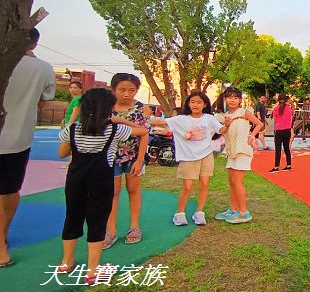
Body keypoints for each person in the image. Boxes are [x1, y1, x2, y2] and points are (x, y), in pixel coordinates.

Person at [55, 88, 147, 283]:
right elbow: (143, 131)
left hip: (75, 180)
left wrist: (72, 120)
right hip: (101, 180)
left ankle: (66, 261)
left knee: (72, 217)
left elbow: (62, 153)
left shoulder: (72, 130)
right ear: (108, 109)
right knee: (97, 220)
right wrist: (121, 120)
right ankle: (92, 270)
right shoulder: (114, 129)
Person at [0, 28, 55, 268]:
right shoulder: (43, 68)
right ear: (34, 44)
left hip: (15, 137)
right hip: (18, 137)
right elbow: (45, 100)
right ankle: (2, 239)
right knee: (9, 189)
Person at [150, 91, 226, 226]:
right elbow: (161, 122)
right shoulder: (181, 119)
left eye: (199, 102)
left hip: (206, 155)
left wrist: (229, 123)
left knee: (204, 184)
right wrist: (143, 118)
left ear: (205, 104)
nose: (195, 105)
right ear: (188, 103)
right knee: (188, 187)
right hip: (188, 157)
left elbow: (221, 130)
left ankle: (199, 213)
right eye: (193, 102)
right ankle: (179, 213)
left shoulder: (209, 118)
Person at [103, 73, 149, 249]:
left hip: (133, 156)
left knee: (133, 190)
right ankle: (111, 231)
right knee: (111, 193)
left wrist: (140, 160)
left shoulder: (141, 109)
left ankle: (134, 227)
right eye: (122, 90)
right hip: (110, 158)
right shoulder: (106, 108)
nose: (127, 94)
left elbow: (144, 134)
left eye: (132, 90)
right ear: (113, 89)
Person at [214, 87, 263, 224]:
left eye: (236, 98)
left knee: (237, 181)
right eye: (230, 97)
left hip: (243, 150)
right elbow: (222, 132)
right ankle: (234, 209)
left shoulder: (244, 112)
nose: (232, 100)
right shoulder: (225, 116)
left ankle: (244, 212)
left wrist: (252, 135)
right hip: (232, 151)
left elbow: (259, 124)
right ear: (225, 99)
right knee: (232, 182)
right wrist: (227, 125)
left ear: (240, 100)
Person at [270, 94, 293, 172]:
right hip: (287, 130)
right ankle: (289, 165)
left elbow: (275, 120)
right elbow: (290, 119)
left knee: (278, 149)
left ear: (278, 100)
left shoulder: (276, 109)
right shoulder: (289, 109)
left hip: (279, 130)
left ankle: (276, 166)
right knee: (287, 148)